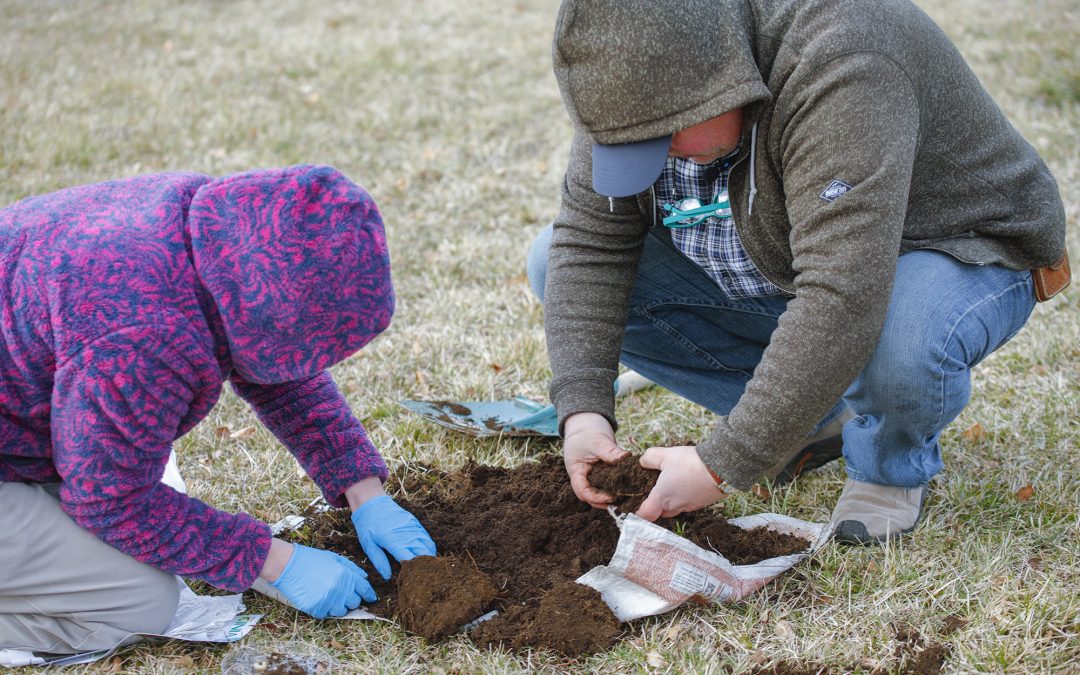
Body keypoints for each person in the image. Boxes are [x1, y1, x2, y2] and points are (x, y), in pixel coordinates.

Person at [527, 0, 1068, 545]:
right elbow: (590, 245)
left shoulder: (843, 59)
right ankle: (811, 422)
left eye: (666, 138)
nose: (664, 160)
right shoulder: (636, 86)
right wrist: (583, 414)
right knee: (550, 261)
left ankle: (886, 468)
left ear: (719, 81)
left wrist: (724, 463)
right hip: (795, 251)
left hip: (956, 245)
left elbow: (842, 296)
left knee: (896, 337)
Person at [0, 164, 436, 655]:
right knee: (140, 602)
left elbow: (276, 363)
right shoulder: (143, 337)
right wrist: (271, 561)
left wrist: (364, 491)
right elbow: (109, 498)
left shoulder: (215, 225)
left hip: (25, 419)